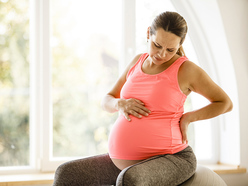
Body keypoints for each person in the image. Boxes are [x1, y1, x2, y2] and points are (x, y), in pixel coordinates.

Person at [53, 11, 233, 185]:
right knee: (67, 174)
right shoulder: (137, 61)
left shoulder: (186, 70)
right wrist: (119, 103)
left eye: (170, 49)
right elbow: (106, 100)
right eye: (157, 45)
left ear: (181, 43)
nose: (162, 54)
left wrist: (189, 117)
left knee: (129, 179)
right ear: (148, 33)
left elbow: (225, 103)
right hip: (128, 165)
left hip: (173, 158)